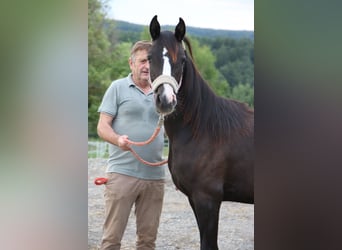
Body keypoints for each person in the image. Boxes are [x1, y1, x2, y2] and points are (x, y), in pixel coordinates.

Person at [97, 40, 166, 250]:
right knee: (111, 240)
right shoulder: (117, 88)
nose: (147, 66)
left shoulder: (163, 92)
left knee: (147, 242)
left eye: (151, 61)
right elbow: (102, 126)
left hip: (155, 177)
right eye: (142, 61)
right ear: (131, 63)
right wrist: (118, 139)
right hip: (122, 174)